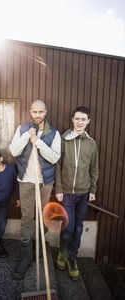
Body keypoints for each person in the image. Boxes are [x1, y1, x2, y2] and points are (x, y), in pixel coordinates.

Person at [9, 99, 61, 279]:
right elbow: (14, 151)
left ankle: (38, 247)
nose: (37, 115)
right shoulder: (22, 129)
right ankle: (26, 257)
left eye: (41, 112)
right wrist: (26, 137)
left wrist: (38, 142)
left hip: (44, 182)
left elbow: (54, 158)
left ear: (46, 112)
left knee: (41, 217)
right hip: (25, 181)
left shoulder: (53, 133)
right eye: (34, 112)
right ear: (30, 112)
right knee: (26, 218)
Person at [55, 106, 99, 280]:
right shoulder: (64, 139)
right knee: (68, 227)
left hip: (83, 193)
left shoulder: (91, 143)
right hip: (66, 193)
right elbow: (58, 166)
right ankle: (63, 253)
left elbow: (94, 168)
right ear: (72, 119)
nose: (80, 122)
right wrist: (58, 189)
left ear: (88, 121)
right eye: (77, 118)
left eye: (84, 119)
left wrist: (93, 190)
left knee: (79, 228)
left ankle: (72, 259)